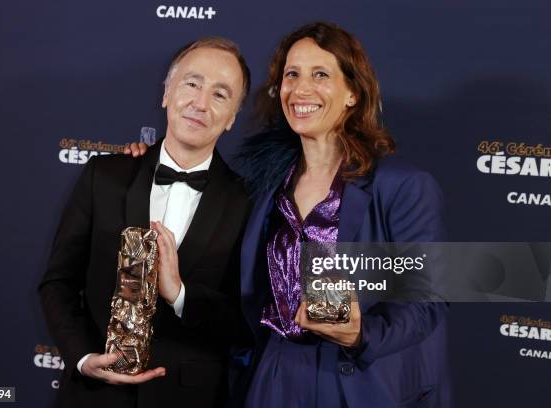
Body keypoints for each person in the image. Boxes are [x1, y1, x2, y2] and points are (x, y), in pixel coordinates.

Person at [234, 22, 451, 407]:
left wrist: (359, 333)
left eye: (320, 74)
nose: (301, 90)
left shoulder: (402, 185)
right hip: (274, 372)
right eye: (291, 75)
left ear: (352, 92)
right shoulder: (266, 183)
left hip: (357, 378)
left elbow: (427, 300)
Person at [38, 37, 251, 408]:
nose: (200, 103)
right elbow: (58, 282)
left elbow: (245, 318)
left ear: (233, 116)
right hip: (94, 398)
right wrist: (85, 359)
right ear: (167, 93)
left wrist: (180, 295)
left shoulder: (247, 202)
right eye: (192, 84)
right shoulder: (104, 176)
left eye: (220, 95)